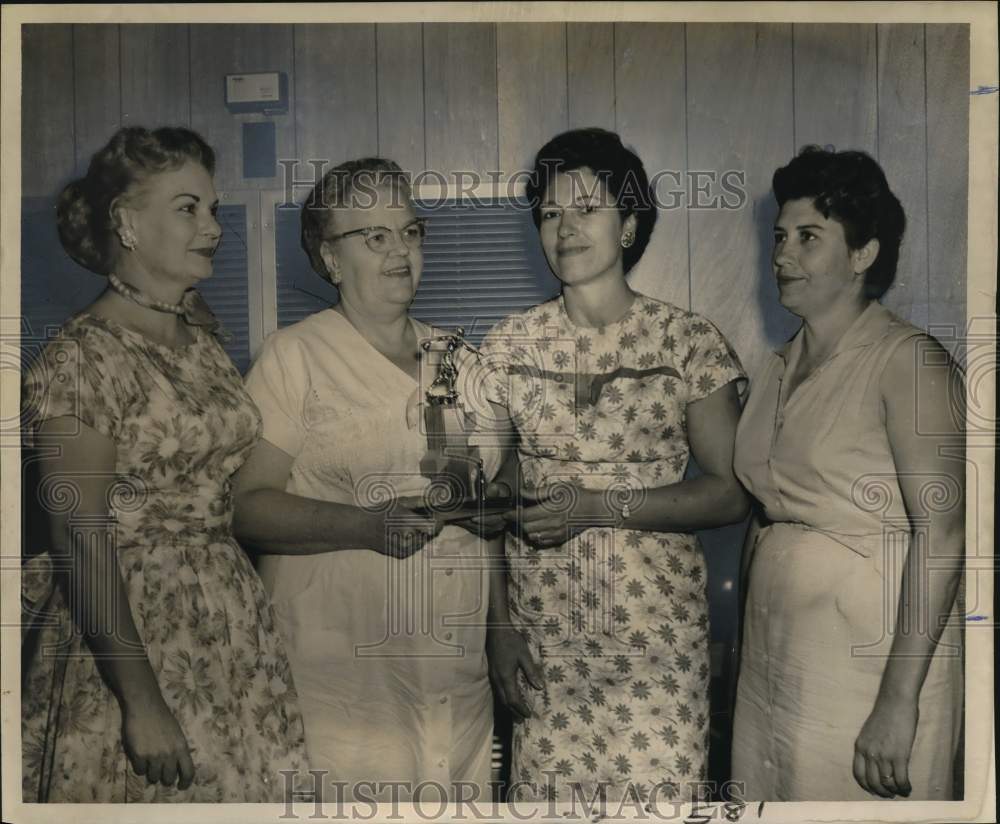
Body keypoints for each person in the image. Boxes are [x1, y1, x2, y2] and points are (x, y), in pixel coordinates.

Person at [20, 126, 308, 802]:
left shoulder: (199, 338)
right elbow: (77, 535)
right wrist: (142, 704)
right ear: (126, 222)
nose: (212, 226)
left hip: (229, 618)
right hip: (135, 634)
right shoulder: (84, 356)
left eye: (212, 208)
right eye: (188, 208)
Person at [476, 127, 749, 803]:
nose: (564, 228)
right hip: (545, 645)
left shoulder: (688, 342)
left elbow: (729, 493)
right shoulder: (508, 344)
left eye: (586, 209)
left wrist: (597, 507)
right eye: (548, 213)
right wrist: (499, 631)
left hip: (656, 647)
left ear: (629, 225)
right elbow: (483, 500)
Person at [232, 159, 496, 802]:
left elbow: (488, 508)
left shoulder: (461, 360)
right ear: (329, 258)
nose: (400, 250)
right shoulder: (294, 355)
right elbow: (244, 508)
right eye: (374, 236)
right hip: (341, 671)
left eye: (410, 231)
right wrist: (368, 525)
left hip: (453, 665)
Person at [730, 146, 964, 801]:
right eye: (780, 236)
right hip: (775, 658)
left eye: (809, 238)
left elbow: (944, 537)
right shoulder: (777, 366)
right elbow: (766, 511)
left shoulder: (909, 363)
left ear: (863, 255)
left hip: (871, 663)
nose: (782, 255)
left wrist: (897, 703)